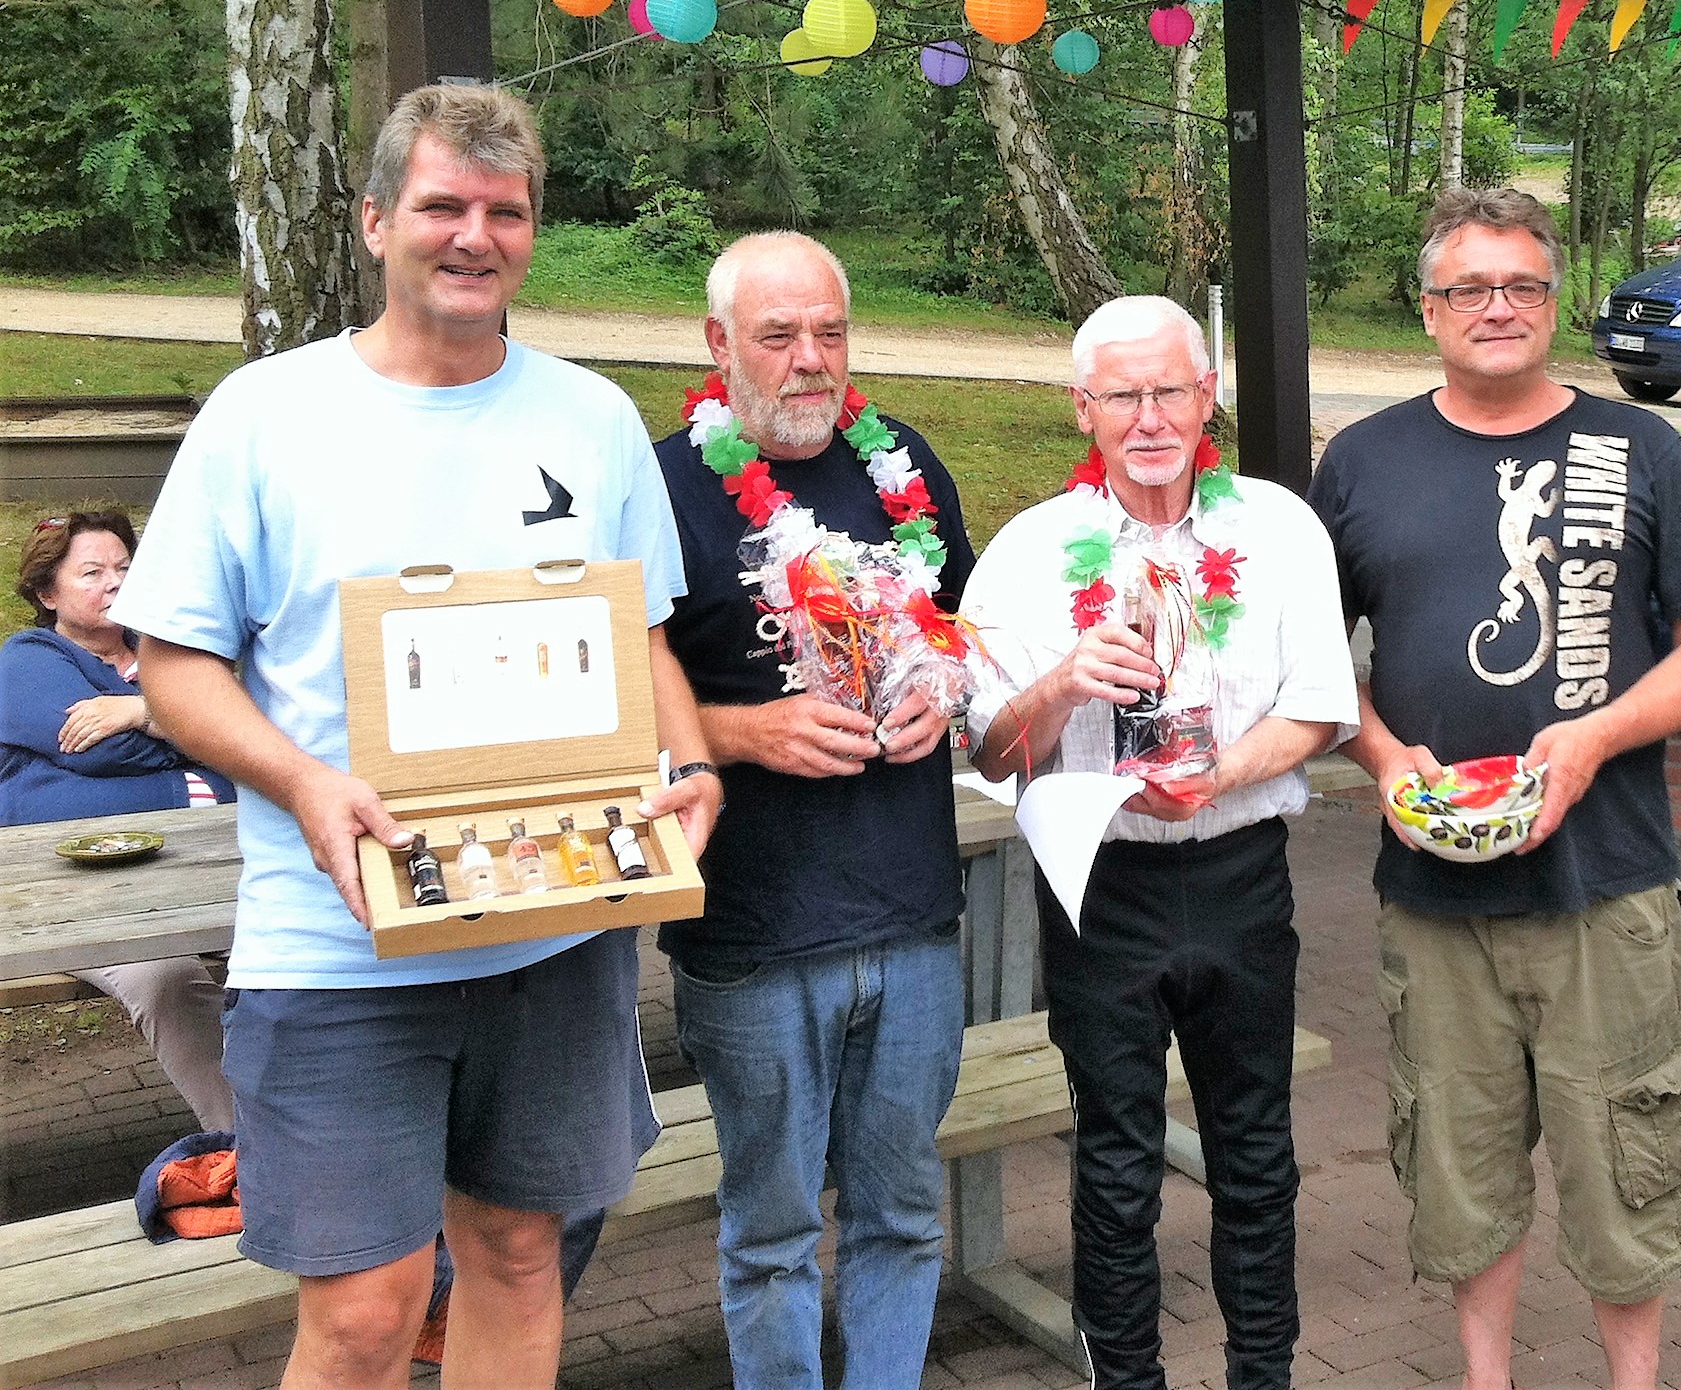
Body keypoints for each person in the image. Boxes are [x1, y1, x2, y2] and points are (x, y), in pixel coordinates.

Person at [112, 84, 721, 1390]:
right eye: (444, 205)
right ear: (378, 219)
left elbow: (644, 639)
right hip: (339, 940)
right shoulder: (265, 417)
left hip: (557, 925)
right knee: (366, 1314)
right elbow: (171, 668)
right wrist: (302, 781)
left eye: (506, 211)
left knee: (519, 1256)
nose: (474, 235)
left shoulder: (593, 418)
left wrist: (692, 766)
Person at [1309, 188, 1681, 1390]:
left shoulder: (1640, 447)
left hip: (1607, 882)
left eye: (1522, 286)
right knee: (1461, 1169)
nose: (1496, 307)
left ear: (1554, 303)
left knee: (1627, 1165)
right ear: (1428, 308)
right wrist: (1381, 755)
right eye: (1469, 288)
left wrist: (1597, 736)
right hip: (1433, 892)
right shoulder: (1364, 460)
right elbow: (1309, 662)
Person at [962, 295, 1356, 1390]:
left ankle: (1262, 1377)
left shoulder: (1277, 528)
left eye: (1169, 390)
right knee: (1116, 1166)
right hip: (1103, 882)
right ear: (1082, 407)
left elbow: (1320, 708)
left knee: (1256, 1156)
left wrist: (1218, 775)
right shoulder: (1030, 553)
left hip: (1239, 873)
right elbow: (990, 751)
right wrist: (1060, 682)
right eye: (1123, 395)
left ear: (1206, 395)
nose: (1149, 418)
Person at [654, 230, 977, 1389]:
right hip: (754, 931)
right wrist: (744, 733)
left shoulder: (904, 463)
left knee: (904, 1217)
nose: (810, 359)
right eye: (778, 334)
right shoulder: (663, 486)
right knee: (774, 1234)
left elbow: (958, 631)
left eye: (830, 332)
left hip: (912, 912)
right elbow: (610, 701)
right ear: (717, 343)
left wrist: (944, 689)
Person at [1, 510, 235, 1131]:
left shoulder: (171, 654)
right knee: (165, 979)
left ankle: (332, 1117)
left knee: (300, 947)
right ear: (48, 593)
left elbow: (243, 736)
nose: (115, 582)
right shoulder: (28, 662)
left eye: (125, 568)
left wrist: (139, 713)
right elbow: (97, 754)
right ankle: (250, 1148)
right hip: (80, 900)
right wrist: (193, 774)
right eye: (92, 572)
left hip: (207, 877)